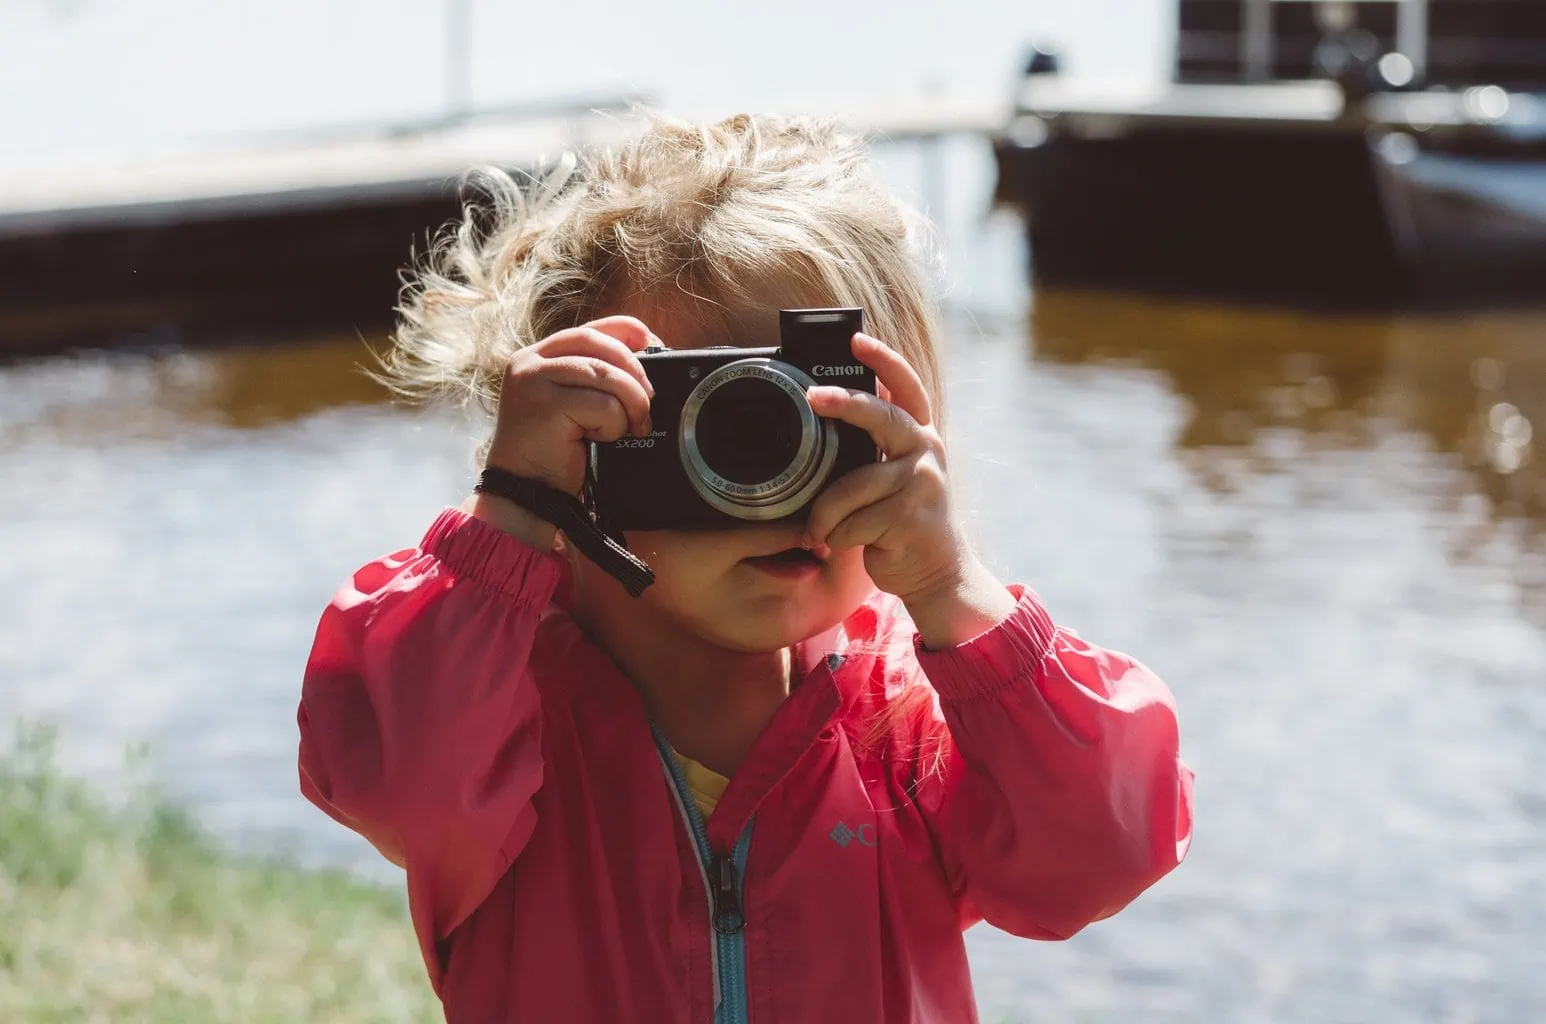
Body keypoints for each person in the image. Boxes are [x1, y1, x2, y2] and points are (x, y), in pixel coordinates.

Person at [297, 113, 1194, 1023]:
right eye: (720, 418)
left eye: (825, 422)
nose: (776, 482)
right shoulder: (502, 714)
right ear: (583, 441)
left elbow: (1104, 854)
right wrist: (514, 514)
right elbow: (391, 787)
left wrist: (951, 590)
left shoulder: (902, 725)